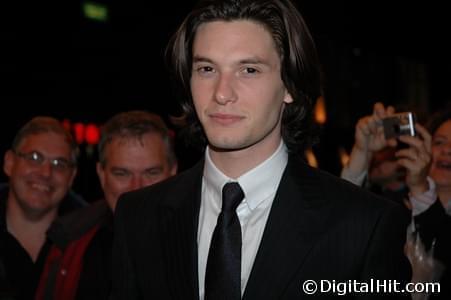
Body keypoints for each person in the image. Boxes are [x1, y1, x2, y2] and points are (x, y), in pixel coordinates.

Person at [112, 1, 411, 299]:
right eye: (206, 69)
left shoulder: (364, 224)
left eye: (249, 70)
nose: (221, 93)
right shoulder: (138, 216)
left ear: (290, 86)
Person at [35, 111, 177, 300]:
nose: (136, 189)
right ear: (101, 175)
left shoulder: (202, 244)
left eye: (151, 173)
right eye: (122, 173)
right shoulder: (66, 243)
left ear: (173, 172)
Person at [0, 116, 83, 300]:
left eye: (59, 164)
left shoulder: (90, 247)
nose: (46, 173)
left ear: (71, 177)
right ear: (9, 163)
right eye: (35, 158)